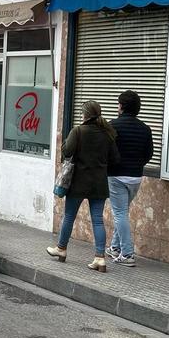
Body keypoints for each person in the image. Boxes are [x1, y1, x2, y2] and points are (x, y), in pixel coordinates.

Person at [47, 100, 120, 273]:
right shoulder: (107, 134)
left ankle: (61, 249)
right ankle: (100, 258)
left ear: (85, 115)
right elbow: (115, 159)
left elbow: (67, 151)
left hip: (78, 183)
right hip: (99, 184)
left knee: (69, 216)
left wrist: (67, 140)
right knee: (97, 220)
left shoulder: (78, 131)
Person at [107, 90, 155, 267]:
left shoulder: (112, 126)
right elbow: (148, 154)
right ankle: (115, 248)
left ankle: (127, 254)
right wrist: (136, 164)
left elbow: (107, 151)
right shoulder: (145, 129)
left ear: (121, 106)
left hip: (116, 176)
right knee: (123, 213)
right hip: (135, 177)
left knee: (119, 214)